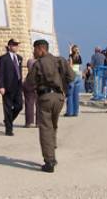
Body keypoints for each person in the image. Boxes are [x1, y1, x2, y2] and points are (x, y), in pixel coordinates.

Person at [25, 39, 75, 172]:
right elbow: (72, 76)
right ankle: (52, 153)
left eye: (34, 49)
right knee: (53, 126)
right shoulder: (60, 60)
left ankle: (49, 161)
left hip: (45, 98)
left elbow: (29, 83)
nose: (33, 52)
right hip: (59, 98)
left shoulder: (39, 64)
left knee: (46, 129)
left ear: (41, 49)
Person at [0, 39, 23, 136]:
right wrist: (1, 86)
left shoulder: (19, 58)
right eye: (14, 45)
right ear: (9, 46)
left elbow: (19, 72)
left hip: (17, 86)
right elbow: (0, 73)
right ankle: (9, 129)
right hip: (7, 87)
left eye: (17, 45)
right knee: (7, 108)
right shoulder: (3, 58)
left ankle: (8, 120)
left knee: (19, 106)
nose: (16, 47)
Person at [65, 44, 83, 116]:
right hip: (78, 75)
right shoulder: (79, 57)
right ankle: (76, 112)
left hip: (73, 75)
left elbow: (70, 66)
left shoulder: (70, 57)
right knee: (76, 95)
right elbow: (80, 67)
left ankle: (69, 112)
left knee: (70, 95)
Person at [23, 57, 37, 128]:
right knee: (39, 104)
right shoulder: (40, 62)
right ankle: (39, 122)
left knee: (29, 103)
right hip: (38, 83)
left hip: (29, 82)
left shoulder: (30, 61)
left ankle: (29, 122)